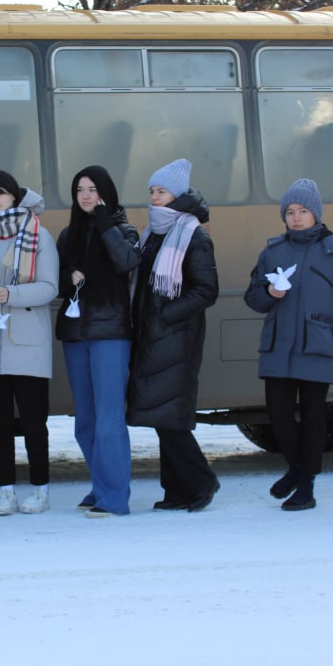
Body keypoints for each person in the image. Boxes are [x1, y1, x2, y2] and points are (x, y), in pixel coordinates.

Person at [245, 178, 333, 511]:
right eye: (290, 212)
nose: (296, 217)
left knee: (314, 416)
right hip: (278, 347)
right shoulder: (273, 251)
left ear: (315, 213)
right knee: (279, 414)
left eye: (302, 211)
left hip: (318, 346)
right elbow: (253, 298)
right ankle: (297, 469)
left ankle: (306, 485)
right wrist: (269, 294)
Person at [127, 159, 220, 514]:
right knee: (162, 416)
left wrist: (166, 317)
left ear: (177, 195)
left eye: (161, 191)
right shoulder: (155, 232)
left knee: (171, 418)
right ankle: (177, 489)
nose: (154, 197)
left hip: (176, 337)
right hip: (153, 336)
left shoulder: (193, 234)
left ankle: (201, 481)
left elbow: (205, 290)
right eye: (152, 191)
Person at [0, 171, 59, 516]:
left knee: (35, 422)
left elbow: (50, 287)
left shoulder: (39, 236)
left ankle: (40, 489)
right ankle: (5, 490)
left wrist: (10, 293)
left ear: (14, 195)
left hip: (29, 344)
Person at [55, 166, 141, 517]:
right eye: (80, 190)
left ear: (106, 192)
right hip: (75, 334)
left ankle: (115, 497)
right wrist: (67, 276)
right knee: (85, 422)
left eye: (93, 189)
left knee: (108, 421)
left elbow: (127, 262)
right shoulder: (68, 234)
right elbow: (56, 283)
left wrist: (105, 222)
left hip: (110, 334)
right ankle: (101, 485)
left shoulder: (123, 229)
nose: (86, 196)